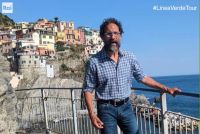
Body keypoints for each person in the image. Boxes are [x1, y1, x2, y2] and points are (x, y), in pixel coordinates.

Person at [82, 18, 181, 134]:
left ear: (120, 35)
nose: (113, 37)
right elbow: (88, 89)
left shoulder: (129, 57)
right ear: (102, 37)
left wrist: (166, 89)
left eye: (116, 33)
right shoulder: (94, 61)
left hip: (126, 106)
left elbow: (142, 77)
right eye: (109, 34)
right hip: (105, 109)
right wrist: (92, 114)